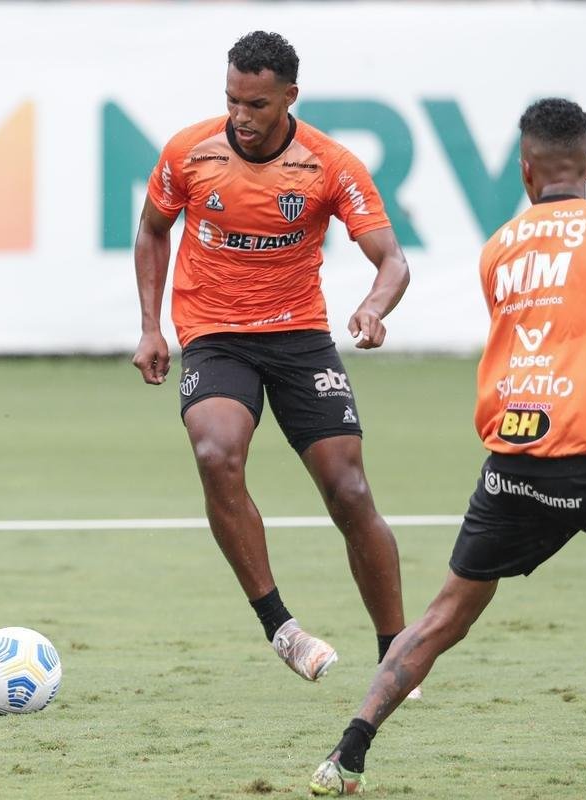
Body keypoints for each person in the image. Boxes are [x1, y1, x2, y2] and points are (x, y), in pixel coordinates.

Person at [309, 97, 586, 795]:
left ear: (524, 170)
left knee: (445, 614)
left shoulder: (498, 248)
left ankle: (347, 751)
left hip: (514, 463)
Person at [132, 31, 413, 682]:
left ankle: (396, 652)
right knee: (214, 452)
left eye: (255, 104)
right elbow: (151, 229)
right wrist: (151, 326)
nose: (240, 117)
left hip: (298, 337)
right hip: (214, 334)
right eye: (231, 100)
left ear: (288, 97)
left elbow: (392, 261)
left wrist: (373, 307)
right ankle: (280, 627)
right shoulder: (187, 152)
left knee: (347, 490)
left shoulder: (330, 163)